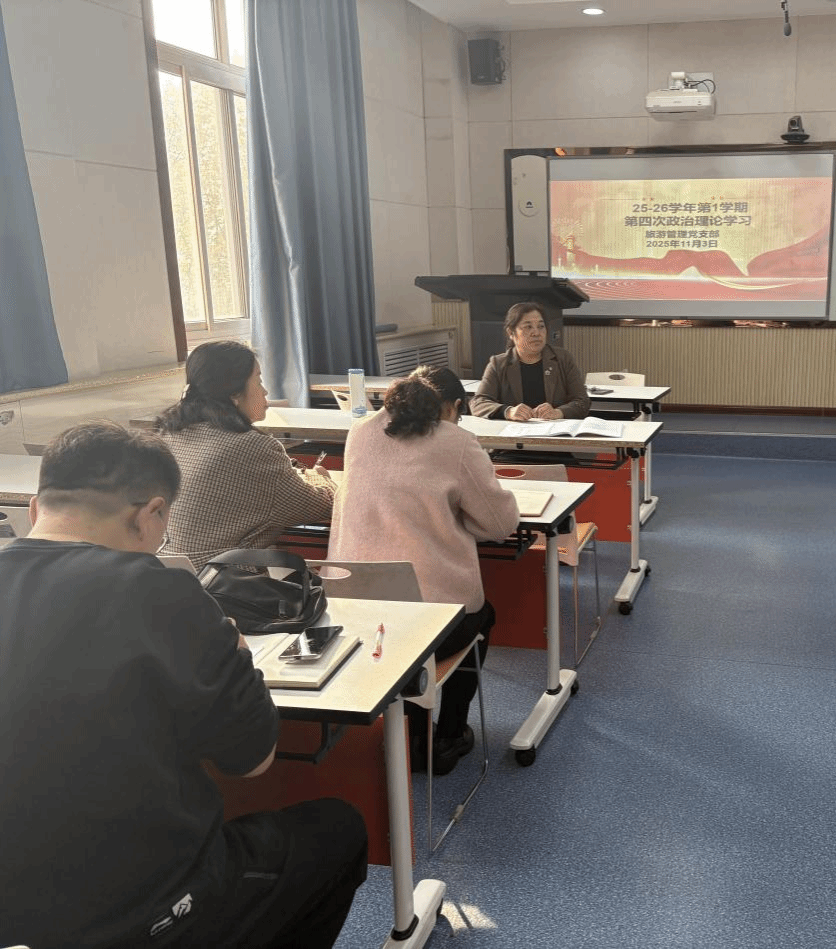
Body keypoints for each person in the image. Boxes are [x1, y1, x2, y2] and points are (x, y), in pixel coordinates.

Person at [0, 421, 367, 949]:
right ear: (150, 514)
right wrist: (236, 652)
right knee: (338, 829)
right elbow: (252, 759)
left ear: (36, 508)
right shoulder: (160, 591)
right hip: (137, 912)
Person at [329, 366, 520, 774]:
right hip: (427, 620)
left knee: (408, 625)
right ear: (452, 407)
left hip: (355, 609)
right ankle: (449, 733)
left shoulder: (359, 431)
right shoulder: (456, 442)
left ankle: (412, 732)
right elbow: (500, 526)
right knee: (480, 618)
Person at [157, 340, 336, 569]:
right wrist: (322, 478)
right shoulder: (251, 446)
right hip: (219, 579)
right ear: (234, 392)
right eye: (259, 380)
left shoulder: (169, 433)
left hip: (167, 572)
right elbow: (319, 505)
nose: (265, 391)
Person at [470, 301, 591, 421]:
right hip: (514, 431)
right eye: (528, 327)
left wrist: (558, 412)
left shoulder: (562, 359)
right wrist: (508, 411)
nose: (536, 333)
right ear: (511, 332)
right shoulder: (498, 364)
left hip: (555, 429)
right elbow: (478, 403)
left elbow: (582, 401)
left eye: (541, 326)